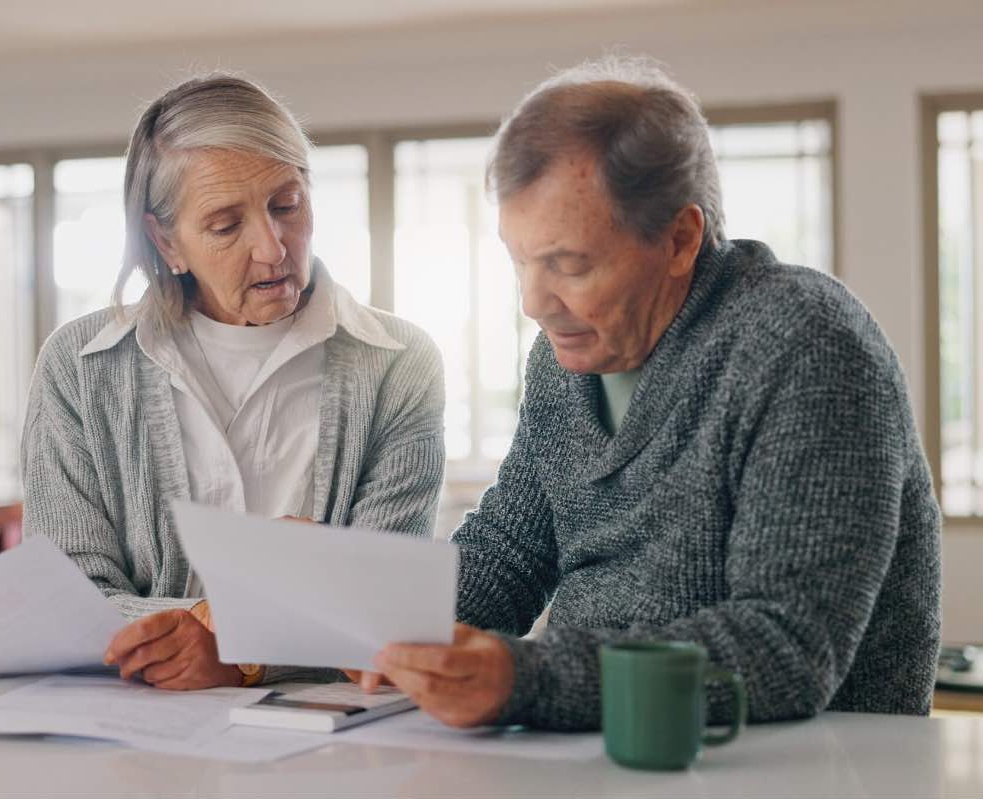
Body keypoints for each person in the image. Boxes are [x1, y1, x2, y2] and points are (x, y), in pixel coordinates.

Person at [369, 56, 941, 731]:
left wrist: (529, 679)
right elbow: (511, 552)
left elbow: (785, 649)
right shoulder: (565, 358)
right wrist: (377, 624)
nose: (533, 302)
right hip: (603, 749)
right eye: (519, 259)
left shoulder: (804, 341)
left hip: (796, 762)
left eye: (569, 264)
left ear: (680, 238)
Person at [21, 74, 445, 691]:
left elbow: (385, 609)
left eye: (287, 205)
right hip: (134, 733)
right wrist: (201, 623)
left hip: (333, 739)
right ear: (166, 241)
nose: (273, 249)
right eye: (225, 225)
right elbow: (67, 596)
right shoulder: (79, 366)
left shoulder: (400, 363)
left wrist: (243, 656)